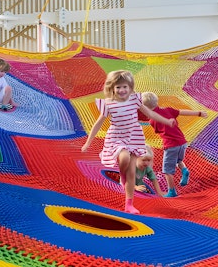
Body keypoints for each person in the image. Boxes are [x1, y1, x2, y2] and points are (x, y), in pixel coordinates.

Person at [81, 70, 175, 214]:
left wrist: (166, 121)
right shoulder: (108, 104)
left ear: (130, 87)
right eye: (118, 87)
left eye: (125, 86)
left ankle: (129, 205)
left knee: (132, 172)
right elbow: (98, 123)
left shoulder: (135, 100)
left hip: (133, 137)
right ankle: (122, 178)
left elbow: (150, 114)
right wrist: (88, 142)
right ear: (112, 89)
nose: (122, 90)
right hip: (117, 137)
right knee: (124, 158)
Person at [142, 91, 208, 197]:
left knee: (167, 171)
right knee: (178, 160)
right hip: (182, 142)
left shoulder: (152, 120)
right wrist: (199, 113)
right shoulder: (168, 109)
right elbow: (183, 112)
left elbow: (158, 130)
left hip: (171, 145)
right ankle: (184, 170)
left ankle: (171, 191)